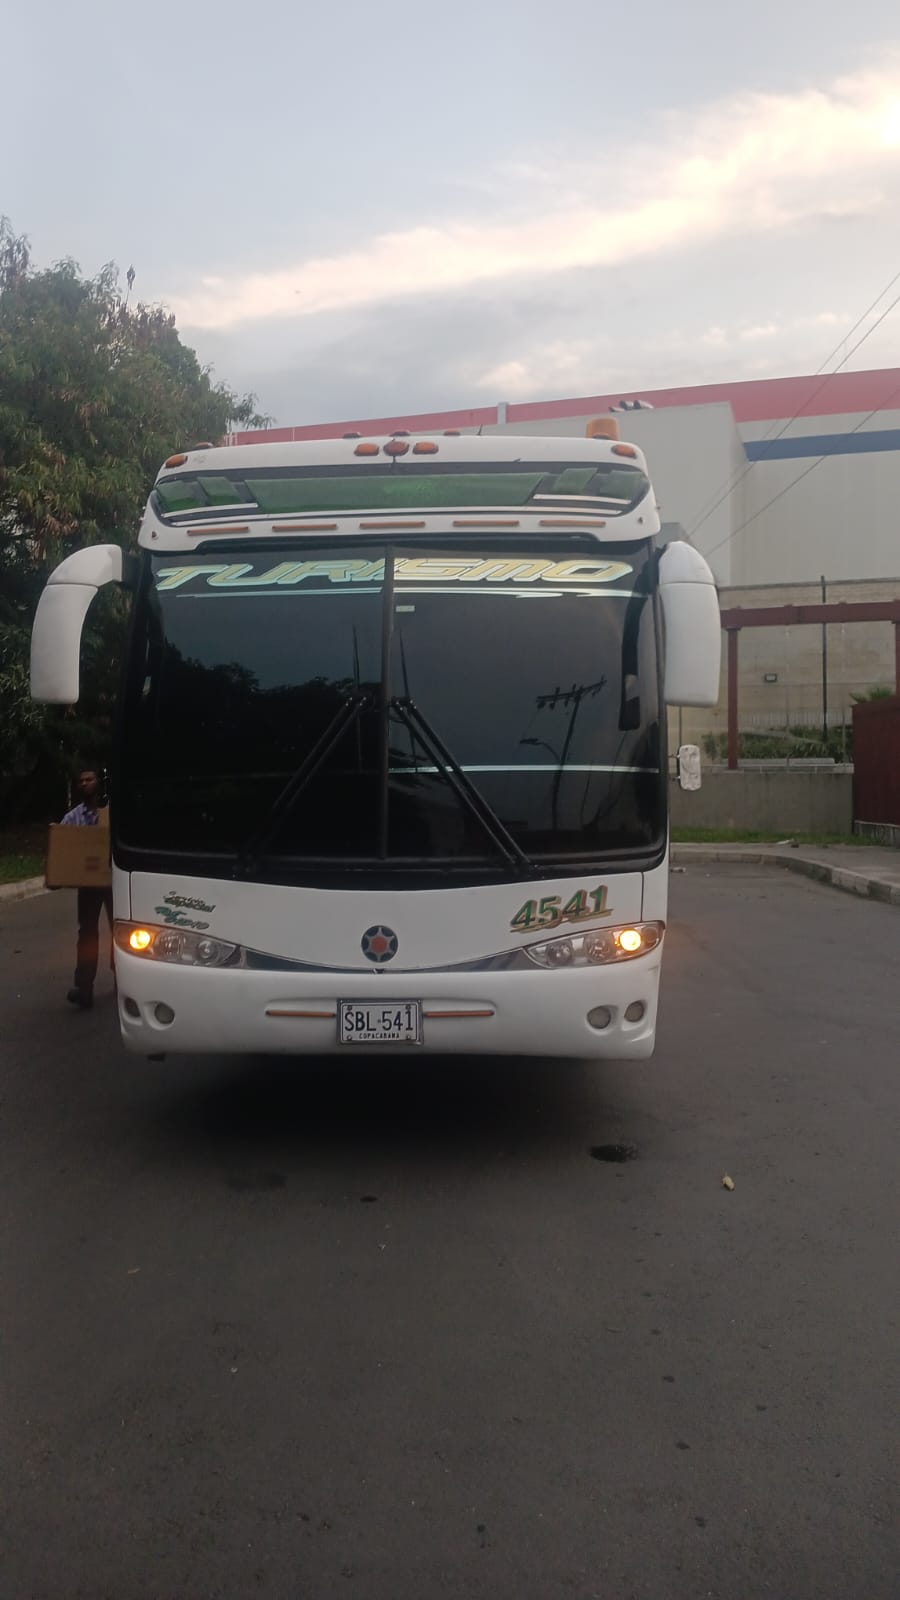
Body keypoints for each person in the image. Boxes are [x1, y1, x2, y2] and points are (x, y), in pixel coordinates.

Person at [62, 768, 113, 1010]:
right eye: (81, 781)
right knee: (87, 935)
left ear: (98, 782)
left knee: (121, 933)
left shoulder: (113, 813)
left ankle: (125, 980)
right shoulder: (73, 817)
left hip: (115, 881)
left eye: (89, 779)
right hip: (89, 885)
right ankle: (84, 988)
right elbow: (61, 844)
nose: (85, 783)